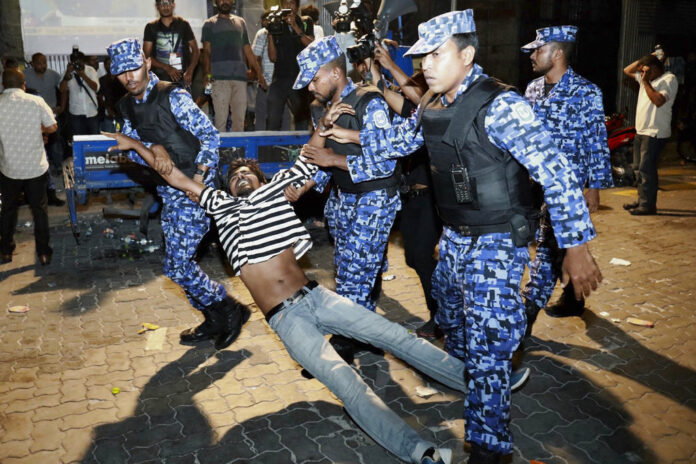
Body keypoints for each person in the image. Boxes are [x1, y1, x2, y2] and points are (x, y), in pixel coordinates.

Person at [323, 11, 603, 463]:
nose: (426, 65)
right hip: (453, 240)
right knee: (451, 321)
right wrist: (342, 134)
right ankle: (470, 376)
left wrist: (575, 247)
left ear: (467, 55)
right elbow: (397, 143)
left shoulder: (502, 106)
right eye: (422, 56)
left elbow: (558, 174)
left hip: (496, 243)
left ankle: (488, 445)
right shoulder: (432, 104)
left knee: (489, 349)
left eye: (437, 54)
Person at [102, 129, 457, 464]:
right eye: (235, 175)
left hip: (318, 297)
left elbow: (308, 159)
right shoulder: (220, 205)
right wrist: (134, 145)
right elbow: (174, 177)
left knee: (395, 335)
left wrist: (324, 126)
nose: (241, 176)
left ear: (262, 180)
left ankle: (478, 380)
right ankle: (418, 452)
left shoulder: (276, 191)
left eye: (248, 173)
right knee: (346, 384)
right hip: (287, 320)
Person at [106, 38, 246, 350]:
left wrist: (199, 180)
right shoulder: (127, 106)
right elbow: (135, 151)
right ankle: (213, 318)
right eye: (120, 73)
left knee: (179, 266)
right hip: (167, 192)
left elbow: (210, 137)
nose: (128, 77)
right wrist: (149, 148)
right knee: (175, 266)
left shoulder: (172, 95)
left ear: (146, 62)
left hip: (195, 189)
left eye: (132, 68)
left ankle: (229, 309)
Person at [287, 36, 402, 362]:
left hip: (373, 199)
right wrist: (306, 186)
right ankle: (364, 337)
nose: (310, 87)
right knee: (350, 274)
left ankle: (343, 346)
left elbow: (386, 159)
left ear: (335, 73)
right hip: (343, 200)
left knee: (353, 282)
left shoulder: (370, 102)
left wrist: (332, 162)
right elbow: (322, 159)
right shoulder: (325, 111)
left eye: (314, 78)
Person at [518, 26, 613, 323]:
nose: (532, 56)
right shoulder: (532, 89)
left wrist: (594, 186)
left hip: (568, 185)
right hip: (535, 183)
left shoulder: (586, 92)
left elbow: (596, 141)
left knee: (548, 245)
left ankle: (530, 306)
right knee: (557, 242)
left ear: (557, 53)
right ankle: (574, 293)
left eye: (538, 50)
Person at [371, 44, 442, 339]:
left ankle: (441, 317)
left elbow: (411, 94)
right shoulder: (415, 112)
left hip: (430, 198)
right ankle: (443, 313)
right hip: (411, 197)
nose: (414, 80)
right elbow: (384, 93)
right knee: (414, 257)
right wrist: (372, 64)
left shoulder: (436, 110)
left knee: (423, 257)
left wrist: (389, 64)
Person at [0, 69, 57, 265]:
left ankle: (6, 251)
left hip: (9, 167)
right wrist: (39, 128)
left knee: (8, 209)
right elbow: (52, 127)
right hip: (35, 167)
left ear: (3, 85)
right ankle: (43, 253)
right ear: (23, 83)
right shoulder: (35, 101)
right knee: (39, 209)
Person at [622, 53, 678, 215]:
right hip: (641, 130)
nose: (643, 74)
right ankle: (642, 200)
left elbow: (659, 101)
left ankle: (648, 206)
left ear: (656, 69)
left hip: (655, 132)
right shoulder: (648, 78)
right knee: (639, 169)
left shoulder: (668, 79)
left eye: (648, 71)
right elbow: (627, 70)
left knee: (647, 170)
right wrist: (647, 59)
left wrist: (645, 80)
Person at [201, 0, 266, 132]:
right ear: (216, 2)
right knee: (221, 120)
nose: (224, 2)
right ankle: (221, 151)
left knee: (239, 122)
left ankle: (237, 151)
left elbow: (247, 49)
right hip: (219, 78)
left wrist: (259, 73)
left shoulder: (240, 22)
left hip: (240, 78)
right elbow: (207, 52)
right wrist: (207, 74)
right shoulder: (209, 24)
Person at [24, 52, 66, 207]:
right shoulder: (24, 75)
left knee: (55, 143)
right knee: (38, 152)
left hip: (51, 115)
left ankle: (58, 169)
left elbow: (63, 88)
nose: (42, 65)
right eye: (39, 63)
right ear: (33, 63)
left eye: (44, 62)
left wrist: (62, 106)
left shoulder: (53, 75)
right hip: (32, 118)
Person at [266, 0, 314, 130]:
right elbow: (272, 57)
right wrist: (270, 34)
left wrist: (295, 27)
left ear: (297, 6)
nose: (289, 6)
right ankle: (272, 149)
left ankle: (301, 149)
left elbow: (312, 46)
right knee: (273, 120)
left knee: (301, 121)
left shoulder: (305, 21)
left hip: (300, 79)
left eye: (292, 3)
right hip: (280, 78)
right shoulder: (276, 23)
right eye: (286, 3)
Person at [143, 0, 200, 88]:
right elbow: (146, 56)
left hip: (182, 78)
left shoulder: (183, 24)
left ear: (173, 5)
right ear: (157, 6)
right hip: (159, 79)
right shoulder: (151, 27)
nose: (165, 6)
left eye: (168, 3)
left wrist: (190, 70)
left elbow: (195, 50)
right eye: (162, 4)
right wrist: (167, 68)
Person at [250, 10, 290, 131]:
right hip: (266, 82)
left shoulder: (286, 31)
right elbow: (255, 57)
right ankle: (260, 148)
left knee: (285, 118)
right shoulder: (262, 34)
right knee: (262, 116)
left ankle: (285, 147)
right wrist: (260, 77)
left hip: (284, 83)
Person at [59, 51, 100, 136]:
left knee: (95, 140)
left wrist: (83, 75)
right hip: (75, 113)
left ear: (83, 61)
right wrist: (67, 73)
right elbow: (62, 89)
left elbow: (96, 88)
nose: (77, 63)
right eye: (74, 61)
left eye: (79, 61)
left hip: (91, 112)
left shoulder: (90, 70)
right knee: (79, 141)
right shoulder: (67, 72)